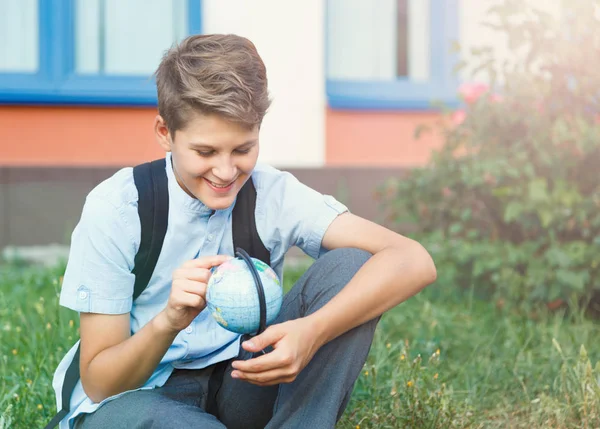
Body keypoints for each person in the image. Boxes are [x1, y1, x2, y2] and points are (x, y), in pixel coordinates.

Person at [51, 34, 437, 429]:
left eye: (242, 149)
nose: (225, 172)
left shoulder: (272, 194)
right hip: (139, 398)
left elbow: (413, 260)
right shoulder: (118, 208)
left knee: (351, 266)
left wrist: (312, 332)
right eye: (205, 152)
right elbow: (100, 384)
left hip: (242, 382)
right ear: (165, 132)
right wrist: (167, 321)